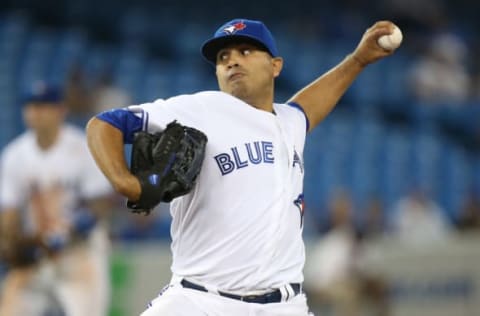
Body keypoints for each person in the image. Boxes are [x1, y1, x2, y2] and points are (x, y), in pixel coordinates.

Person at [86, 18, 399, 316]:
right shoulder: (202, 109)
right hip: (201, 300)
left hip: (283, 305)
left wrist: (358, 60)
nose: (232, 61)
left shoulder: (289, 122)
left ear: (275, 66)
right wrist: (126, 183)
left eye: (245, 52)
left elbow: (310, 105)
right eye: (223, 57)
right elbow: (105, 123)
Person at [0, 81, 114, 316]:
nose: (35, 113)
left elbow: (100, 205)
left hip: (80, 252)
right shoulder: (15, 155)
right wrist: (10, 241)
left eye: (43, 106)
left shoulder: (82, 147)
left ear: (60, 110)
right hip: (37, 253)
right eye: (31, 106)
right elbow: (8, 212)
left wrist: (63, 234)